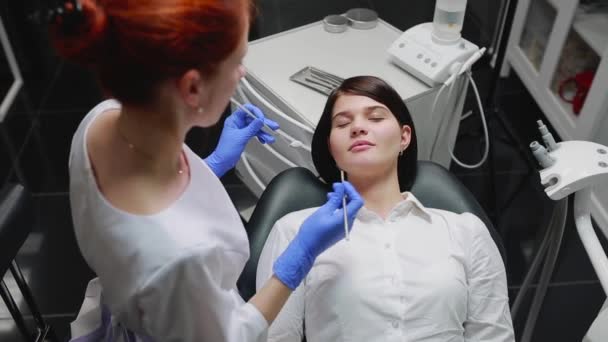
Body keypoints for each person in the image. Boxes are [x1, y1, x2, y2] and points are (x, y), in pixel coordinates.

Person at [52, 1, 364, 341]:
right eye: (238, 62)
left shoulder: (101, 119)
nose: (242, 73)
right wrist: (300, 256)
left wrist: (212, 165)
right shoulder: (181, 261)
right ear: (192, 88)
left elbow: (154, 205)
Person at [256, 76, 515, 341]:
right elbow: (275, 337)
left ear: (404, 137)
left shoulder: (465, 231)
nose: (358, 127)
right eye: (343, 123)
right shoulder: (295, 232)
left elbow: (494, 335)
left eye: (376, 118)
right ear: (332, 150)